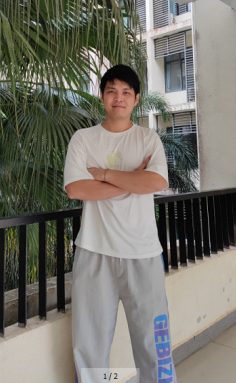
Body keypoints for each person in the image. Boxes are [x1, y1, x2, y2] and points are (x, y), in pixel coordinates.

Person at [64, 64, 178, 383]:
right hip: (93, 252)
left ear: (136, 99)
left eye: (126, 92)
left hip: (143, 253)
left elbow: (155, 182)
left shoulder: (147, 139)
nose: (119, 97)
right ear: (102, 96)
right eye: (112, 90)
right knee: (90, 344)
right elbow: (76, 189)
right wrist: (131, 180)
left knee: (154, 344)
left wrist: (102, 174)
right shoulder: (83, 139)